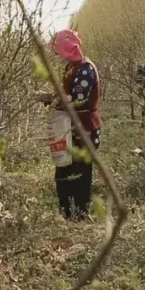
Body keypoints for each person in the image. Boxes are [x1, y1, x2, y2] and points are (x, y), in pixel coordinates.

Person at [41, 29, 102, 220]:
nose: (58, 55)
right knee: (64, 168)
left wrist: (52, 100)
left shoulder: (85, 69)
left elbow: (75, 101)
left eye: (59, 50)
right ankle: (66, 212)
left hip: (84, 129)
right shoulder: (71, 67)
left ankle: (80, 215)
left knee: (80, 172)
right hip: (69, 128)